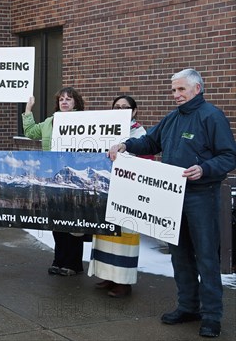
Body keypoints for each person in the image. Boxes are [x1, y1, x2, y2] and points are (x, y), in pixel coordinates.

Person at [108, 69, 236, 338]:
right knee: (179, 254)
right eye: (173, 90)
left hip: (202, 195)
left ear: (197, 89)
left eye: (181, 90)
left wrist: (205, 168)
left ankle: (212, 315)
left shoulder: (212, 117)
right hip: (172, 197)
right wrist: (125, 146)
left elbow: (228, 156)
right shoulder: (172, 118)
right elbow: (150, 141)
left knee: (206, 257)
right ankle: (188, 306)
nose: (175, 95)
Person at [88, 95, 153, 297]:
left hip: (128, 191)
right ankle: (108, 275)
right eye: (117, 106)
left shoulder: (139, 133)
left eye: (126, 107)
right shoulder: (105, 130)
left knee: (124, 236)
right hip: (107, 189)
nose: (121, 109)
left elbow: (146, 160)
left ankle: (123, 282)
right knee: (105, 233)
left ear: (134, 111)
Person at [22, 87, 85, 276]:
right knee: (57, 221)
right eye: (61, 99)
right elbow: (31, 133)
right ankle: (58, 260)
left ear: (76, 103)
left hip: (75, 179)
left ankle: (73, 264)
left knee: (73, 223)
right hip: (54, 177)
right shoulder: (50, 122)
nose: (64, 102)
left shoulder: (84, 121)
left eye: (69, 99)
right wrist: (28, 110)